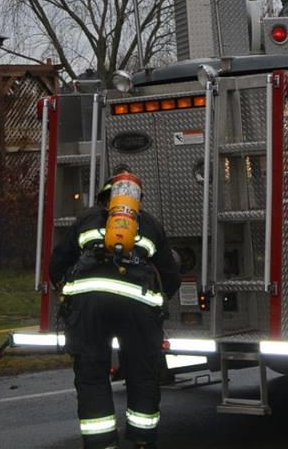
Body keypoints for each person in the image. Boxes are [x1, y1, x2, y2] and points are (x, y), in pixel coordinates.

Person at [50, 176, 181, 449]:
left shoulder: (85, 220)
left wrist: (63, 290)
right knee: (142, 374)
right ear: (136, 202)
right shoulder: (149, 225)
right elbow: (170, 275)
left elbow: (58, 262)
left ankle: (102, 444)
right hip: (139, 310)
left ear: (102, 199)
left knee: (92, 375)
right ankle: (143, 441)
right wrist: (159, 300)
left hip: (88, 309)